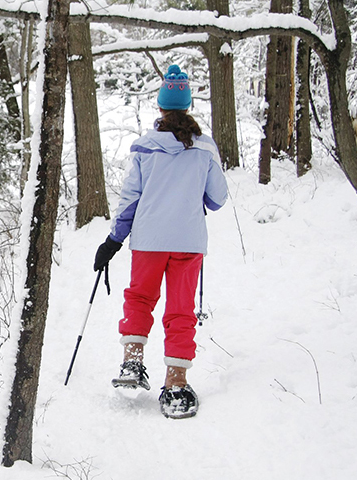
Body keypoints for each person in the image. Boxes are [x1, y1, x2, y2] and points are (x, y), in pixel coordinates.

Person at [93, 64, 228, 419]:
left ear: (160, 107)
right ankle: (176, 384)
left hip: (149, 239)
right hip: (188, 240)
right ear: (188, 105)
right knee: (181, 308)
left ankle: (132, 363)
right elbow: (218, 199)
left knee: (139, 297)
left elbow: (130, 199)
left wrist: (114, 239)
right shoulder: (205, 148)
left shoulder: (143, 147)